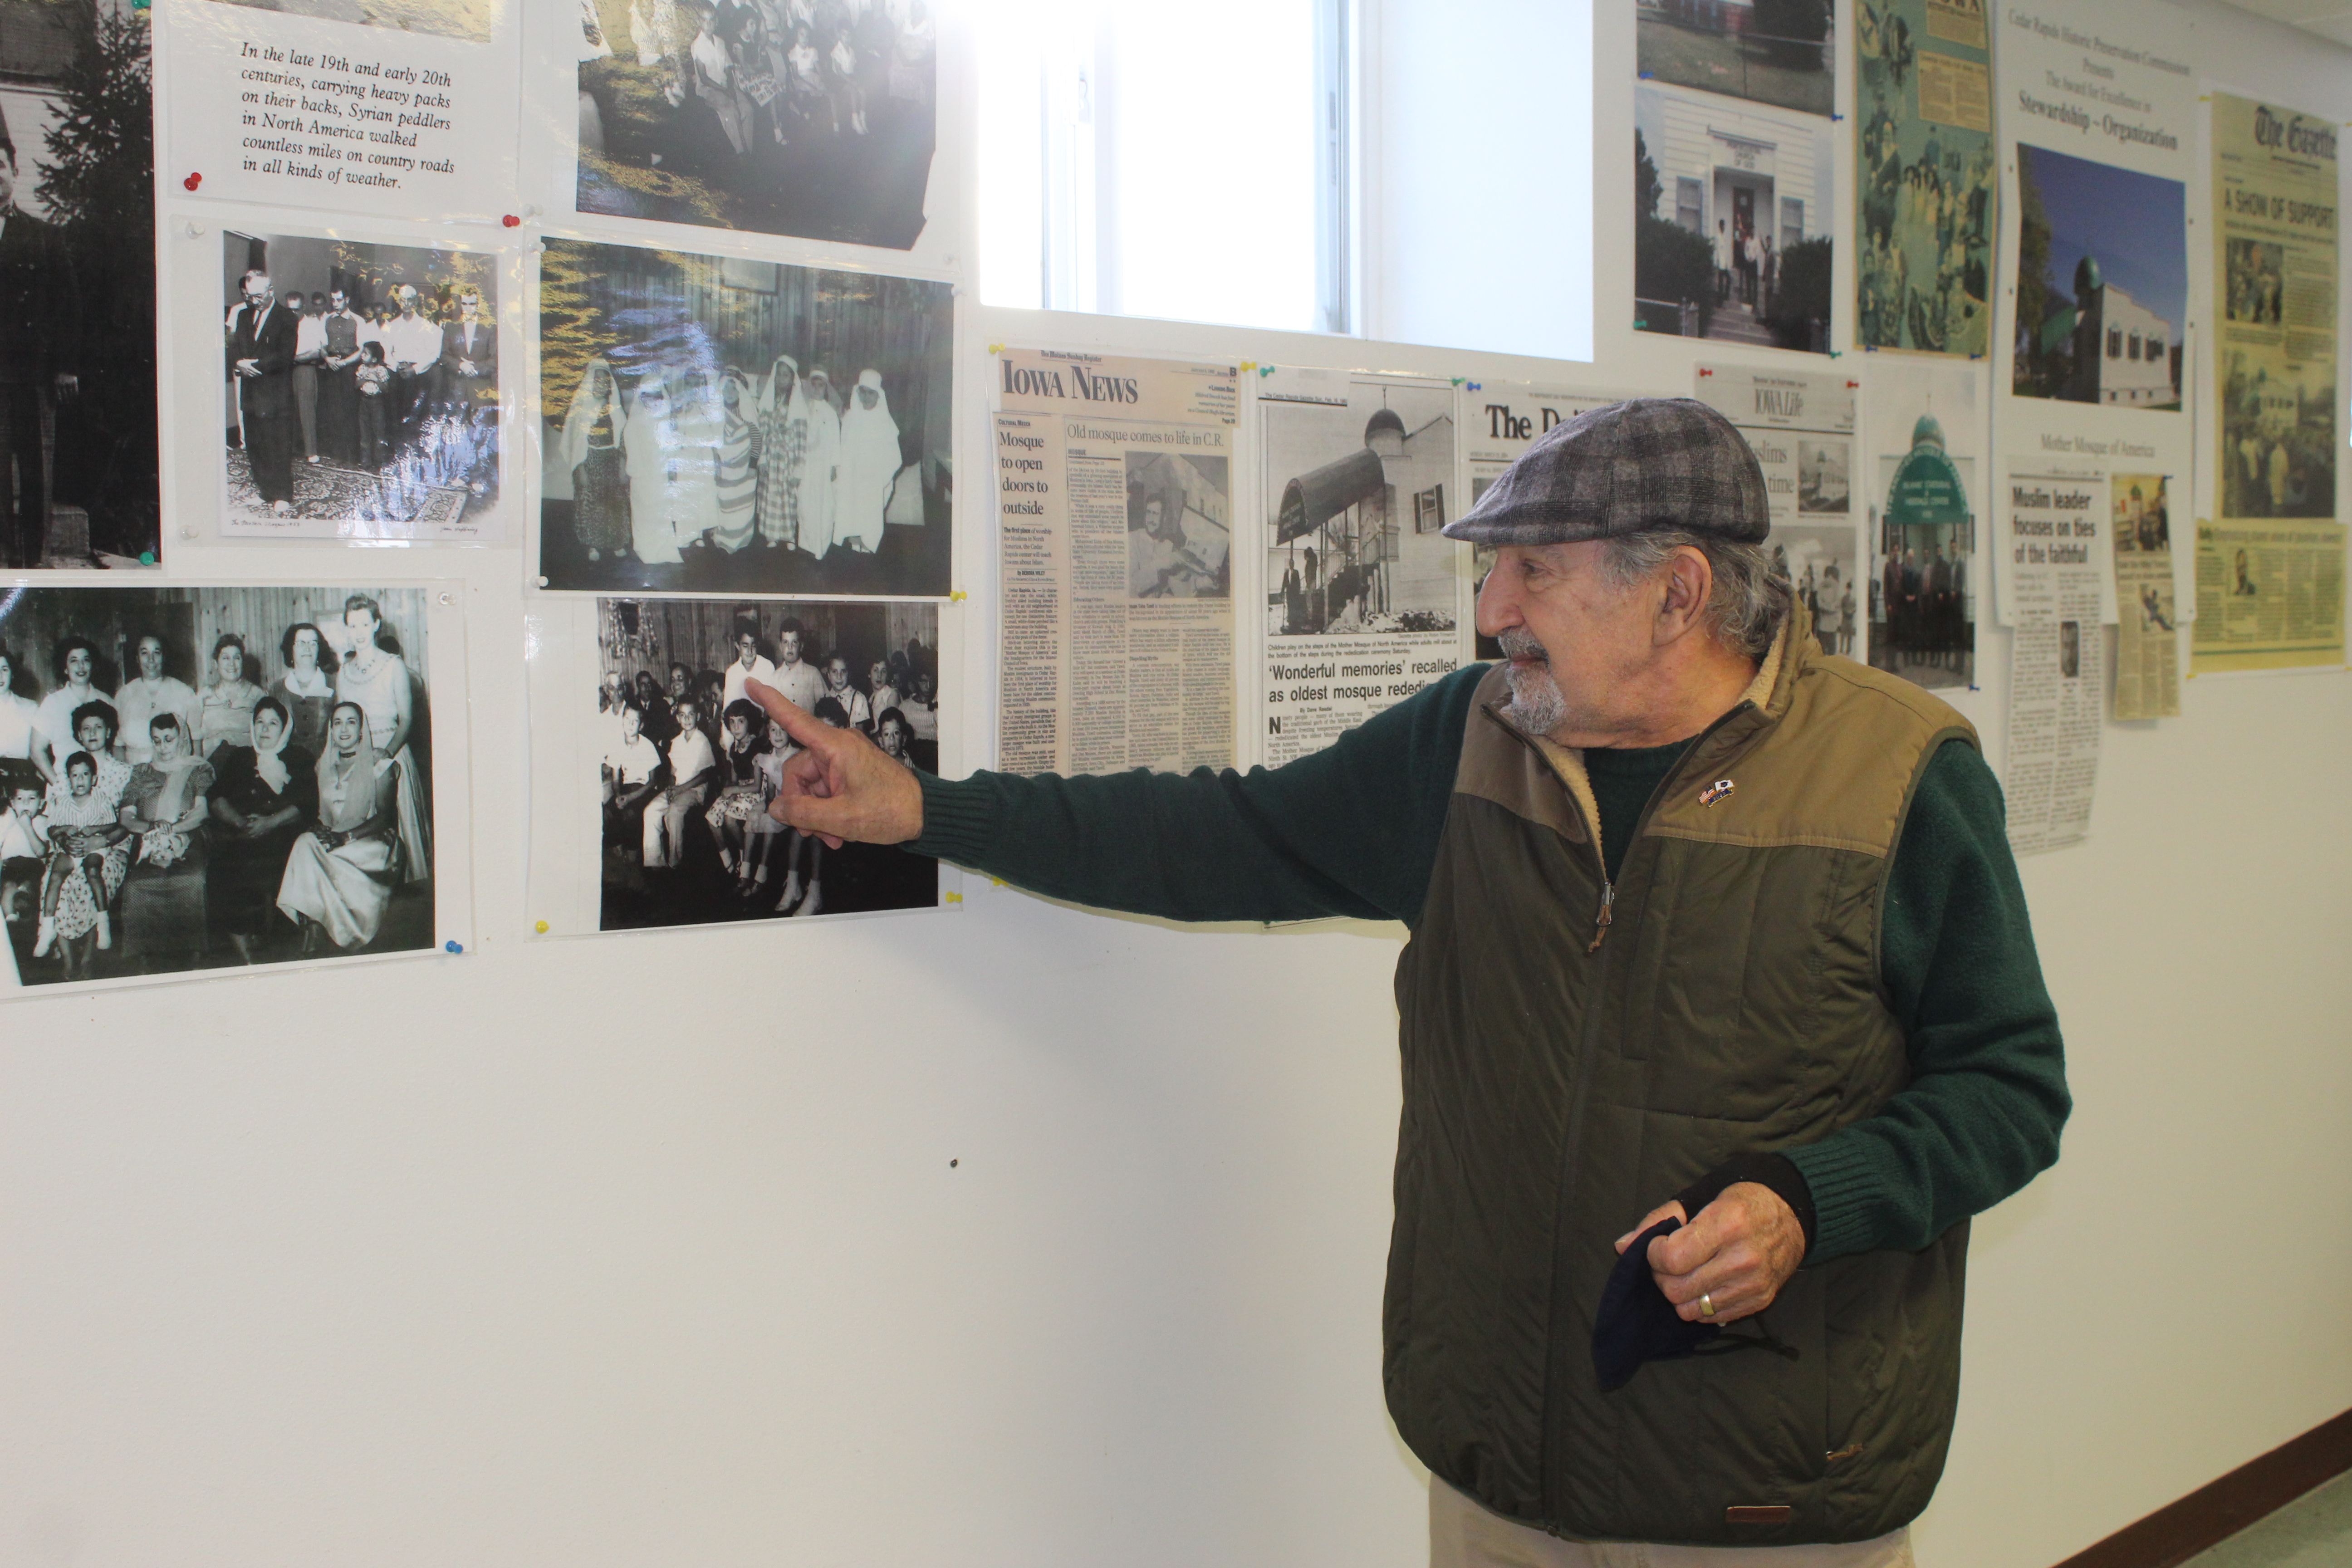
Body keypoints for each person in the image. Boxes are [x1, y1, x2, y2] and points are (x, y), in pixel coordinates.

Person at [744, 397, 2069, 1565]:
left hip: (1767, 1493)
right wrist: (921, 807)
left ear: (1675, 593)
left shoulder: (1899, 779)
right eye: (1496, 572)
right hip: (1500, 1464)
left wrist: (1804, 1203)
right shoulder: (1469, 740)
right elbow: (1216, 834)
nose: (1493, 612)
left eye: (1533, 573)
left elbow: (2009, 1092)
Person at [0, 113, 83, 569]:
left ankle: (34, 558)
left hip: (32, 377)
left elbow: (69, 308)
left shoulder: (44, 237)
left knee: (36, 474)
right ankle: (4, 557)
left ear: (13, 171)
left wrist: (66, 366)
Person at [276, 702, 402, 952]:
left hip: (370, 841)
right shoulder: (323, 766)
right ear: (331, 730)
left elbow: (386, 817)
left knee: (323, 856)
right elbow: (322, 814)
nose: (344, 729)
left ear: (362, 729)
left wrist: (347, 837)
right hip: (337, 836)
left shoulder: (379, 765)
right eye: (338, 723)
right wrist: (320, 829)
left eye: (351, 722)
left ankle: (327, 927)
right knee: (304, 842)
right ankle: (313, 924)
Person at [207, 694, 318, 962]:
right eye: (260, 722)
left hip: (283, 833)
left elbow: (307, 803)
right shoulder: (240, 757)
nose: (265, 729)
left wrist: (269, 823)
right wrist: (241, 822)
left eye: (273, 723)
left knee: (276, 861)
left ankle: (285, 933)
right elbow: (216, 797)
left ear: (285, 729)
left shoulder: (299, 757)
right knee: (226, 865)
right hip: (242, 831)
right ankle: (245, 951)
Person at [334, 596, 428, 885]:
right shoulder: (343, 673)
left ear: (376, 625)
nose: (359, 631)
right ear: (347, 630)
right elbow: (342, 722)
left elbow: (407, 720)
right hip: (358, 760)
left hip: (392, 754)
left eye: (365, 623)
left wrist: (385, 755)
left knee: (402, 837)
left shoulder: (393, 666)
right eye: (353, 625)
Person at [116, 712, 214, 970]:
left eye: (169, 740)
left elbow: (201, 813)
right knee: (139, 882)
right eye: (157, 741)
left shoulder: (196, 769)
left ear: (181, 737)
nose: (163, 747)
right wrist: (153, 828)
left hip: (188, 839)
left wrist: (173, 830)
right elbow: (126, 818)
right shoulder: (141, 772)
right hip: (149, 840)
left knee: (192, 878)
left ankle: (192, 950)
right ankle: (145, 952)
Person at [31, 748, 129, 962]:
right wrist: (64, 832)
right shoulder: (63, 802)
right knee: (55, 877)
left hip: (94, 847)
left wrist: (92, 830)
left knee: (93, 871)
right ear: (69, 780)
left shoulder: (101, 799)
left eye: (85, 774)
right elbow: (52, 829)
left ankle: (103, 924)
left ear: (94, 779)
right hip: (71, 848)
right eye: (75, 775)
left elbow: (112, 825)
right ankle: (47, 930)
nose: (80, 780)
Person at [228, 270, 300, 517]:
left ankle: (282, 495)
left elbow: (284, 356)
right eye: (250, 296)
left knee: (277, 445)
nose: (254, 301)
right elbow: (234, 345)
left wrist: (252, 366)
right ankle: (264, 491)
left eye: (259, 296)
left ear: (271, 291)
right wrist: (239, 362)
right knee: (256, 445)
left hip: (274, 394)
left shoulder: (287, 318)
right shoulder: (244, 315)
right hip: (250, 392)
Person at [560, 358, 631, 562]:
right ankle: (593, 544)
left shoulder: (615, 409)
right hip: (589, 460)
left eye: (604, 381)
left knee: (614, 503)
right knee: (590, 502)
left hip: (611, 459)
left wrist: (622, 464)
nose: (600, 384)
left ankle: (617, 542)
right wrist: (580, 467)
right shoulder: (580, 409)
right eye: (596, 380)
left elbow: (622, 439)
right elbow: (576, 443)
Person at [707, 697, 773, 892]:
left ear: (750, 722)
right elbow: (734, 779)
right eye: (732, 722)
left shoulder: (756, 748)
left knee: (729, 819)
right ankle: (730, 861)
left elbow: (757, 785)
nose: (736, 727)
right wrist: (729, 791)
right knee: (712, 818)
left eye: (741, 722)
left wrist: (735, 791)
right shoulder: (734, 747)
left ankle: (746, 857)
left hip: (756, 792)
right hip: (740, 790)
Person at [645, 695, 715, 872]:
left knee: (674, 812)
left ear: (697, 716)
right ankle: (655, 860)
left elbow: (705, 776)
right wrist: (670, 788)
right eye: (682, 715)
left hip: (695, 790)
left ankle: (675, 862)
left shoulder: (703, 741)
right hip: (677, 787)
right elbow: (673, 772)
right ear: (677, 718)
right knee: (651, 810)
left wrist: (680, 790)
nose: (687, 719)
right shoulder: (677, 742)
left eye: (691, 715)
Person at [834, 368, 899, 554]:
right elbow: (843, 445)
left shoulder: (885, 421)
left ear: (879, 395)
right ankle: (854, 545)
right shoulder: (851, 417)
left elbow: (894, 456)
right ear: (858, 393)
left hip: (872, 480)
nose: (867, 397)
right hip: (852, 476)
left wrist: (881, 478)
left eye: (871, 393)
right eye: (863, 392)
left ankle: (867, 547)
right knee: (851, 509)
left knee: (868, 515)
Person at [623, 375, 686, 565]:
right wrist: (643, 474)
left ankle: (664, 549)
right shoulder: (635, 421)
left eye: (657, 396)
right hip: (643, 476)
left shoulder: (665, 420)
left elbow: (673, 447)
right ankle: (646, 549)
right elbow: (633, 451)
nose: (653, 400)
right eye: (648, 396)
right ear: (641, 398)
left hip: (661, 477)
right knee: (645, 514)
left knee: (663, 513)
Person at [113, 634, 201, 768]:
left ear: (164, 657)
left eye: (157, 653)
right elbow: (117, 746)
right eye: (144, 653)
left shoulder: (185, 693)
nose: (151, 660)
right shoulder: (124, 695)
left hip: (176, 774)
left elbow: (197, 745)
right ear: (137, 658)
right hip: (134, 774)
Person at [33, 637, 109, 784]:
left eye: (86, 660)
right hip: (66, 784)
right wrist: (58, 785)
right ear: (65, 668)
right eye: (74, 661)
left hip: (102, 782)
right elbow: (36, 750)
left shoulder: (106, 701)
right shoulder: (53, 703)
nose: (81, 666)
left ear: (93, 665)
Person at [381, 285, 444, 450]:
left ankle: (414, 448)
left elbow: (433, 355)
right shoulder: (391, 325)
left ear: (415, 301)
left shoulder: (426, 326)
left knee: (416, 410)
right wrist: (396, 366)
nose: (406, 303)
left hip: (418, 372)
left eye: (410, 299)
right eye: (403, 300)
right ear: (399, 301)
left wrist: (414, 369)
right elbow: (386, 352)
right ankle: (394, 447)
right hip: (397, 370)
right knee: (392, 405)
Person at [754, 353, 806, 550]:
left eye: (786, 375)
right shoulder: (770, 402)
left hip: (789, 459)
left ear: (793, 379)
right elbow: (764, 432)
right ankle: (772, 534)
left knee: (788, 497)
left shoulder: (798, 405)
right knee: (770, 495)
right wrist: (764, 457)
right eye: (779, 375)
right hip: (772, 457)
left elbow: (801, 438)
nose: (782, 379)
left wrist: (798, 468)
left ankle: (790, 535)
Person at [603, 701, 664, 865]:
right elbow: (616, 778)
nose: (630, 724)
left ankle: (633, 855)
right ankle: (617, 849)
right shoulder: (618, 744)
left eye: (635, 721)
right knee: (608, 811)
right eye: (627, 719)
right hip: (626, 789)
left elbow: (653, 782)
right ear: (622, 720)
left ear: (641, 725)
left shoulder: (647, 746)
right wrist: (618, 795)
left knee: (630, 815)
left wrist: (630, 798)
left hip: (644, 790)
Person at [316, 288, 369, 467]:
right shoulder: (327, 319)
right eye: (333, 300)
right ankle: (337, 454)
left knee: (350, 412)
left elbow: (361, 350)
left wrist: (345, 363)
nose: (335, 304)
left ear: (347, 299)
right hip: (331, 369)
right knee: (333, 412)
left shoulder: (358, 321)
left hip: (349, 370)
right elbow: (323, 346)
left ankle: (352, 457)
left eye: (339, 300)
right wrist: (327, 358)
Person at [271, 622, 338, 758]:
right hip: (288, 764)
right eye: (301, 643)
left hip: (327, 762)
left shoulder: (335, 684)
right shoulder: (277, 689)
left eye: (313, 643)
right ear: (291, 649)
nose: (307, 649)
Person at [712, 368, 761, 554]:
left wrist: (752, 466)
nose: (730, 393)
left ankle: (742, 540)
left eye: (734, 389)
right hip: (725, 469)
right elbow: (713, 443)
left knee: (744, 507)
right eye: (726, 389)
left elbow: (756, 438)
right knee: (726, 504)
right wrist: (716, 464)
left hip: (745, 470)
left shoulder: (747, 411)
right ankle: (726, 538)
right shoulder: (717, 413)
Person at [196, 634, 268, 756]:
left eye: (237, 658)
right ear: (216, 663)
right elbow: (195, 736)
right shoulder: (204, 695)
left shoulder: (257, 695)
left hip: (245, 761)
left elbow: (265, 736)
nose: (232, 664)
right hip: (211, 765)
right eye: (226, 658)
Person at [796, 367, 842, 557]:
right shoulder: (803, 409)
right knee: (805, 501)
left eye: (821, 385)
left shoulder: (830, 414)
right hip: (806, 464)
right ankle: (806, 543)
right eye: (813, 385)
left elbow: (835, 441)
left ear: (826, 388)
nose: (816, 389)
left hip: (823, 466)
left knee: (824, 504)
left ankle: (821, 545)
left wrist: (833, 465)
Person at [436, 288, 496, 419]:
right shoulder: (451, 327)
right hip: (456, 390)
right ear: (460, 304)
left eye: (472, 304)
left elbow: (496, 360)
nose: (468, 308)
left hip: (482, 390)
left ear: (478, 305)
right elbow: (443, 355)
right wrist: (461, 366)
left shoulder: (490, 327)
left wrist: (474, 368)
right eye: (465, 304)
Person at [290, 289, 323, 465]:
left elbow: (316, 352)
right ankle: (294, 448)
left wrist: (294, 358)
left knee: (307, 410)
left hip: (305, 369)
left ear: (303, 307)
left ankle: (311, 451)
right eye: (290, 310)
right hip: (287, 371)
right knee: (289, 408)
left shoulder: (312, 324)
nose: (293, 313)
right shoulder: (286, 324)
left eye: (296, 309)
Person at [766, 620, 826, 712]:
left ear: (801, 646)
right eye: (785, 642)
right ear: (780, 647)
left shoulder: (813, 674)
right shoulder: (775, 678)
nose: (790, 647)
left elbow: (825, 707)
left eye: (794, 642)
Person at [721, 623, 779, 713]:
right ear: (737, 646)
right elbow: (727, 708)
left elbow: (773, 704)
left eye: (753, 646)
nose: (750, 651)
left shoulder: (767, 667)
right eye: (745, 646)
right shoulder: (732, 673)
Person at [353, 341, 392, 468]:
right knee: (364, 432)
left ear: (374, 359)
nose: (362, 356)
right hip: (364, 402)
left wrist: (376, 380)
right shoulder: (362, 369)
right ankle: (366, 461)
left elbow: (386, 389)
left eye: (366, 354)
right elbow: (356, 385)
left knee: (379, 432)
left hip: (377, 403)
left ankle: (379, 461)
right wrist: (365, 379)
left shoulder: (381, 370)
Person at [0, 647, 38, 761]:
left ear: (12, 674)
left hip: (22, 775)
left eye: (4, 669)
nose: (0, 675)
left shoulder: (31, 708)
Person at [818, 652, 871, 732]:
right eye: (834, 672)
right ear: (828, 675)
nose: (839, 677)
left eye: (843, 671)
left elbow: (860, 734)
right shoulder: (826, 697)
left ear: (849, 674)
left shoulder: (858, 698)